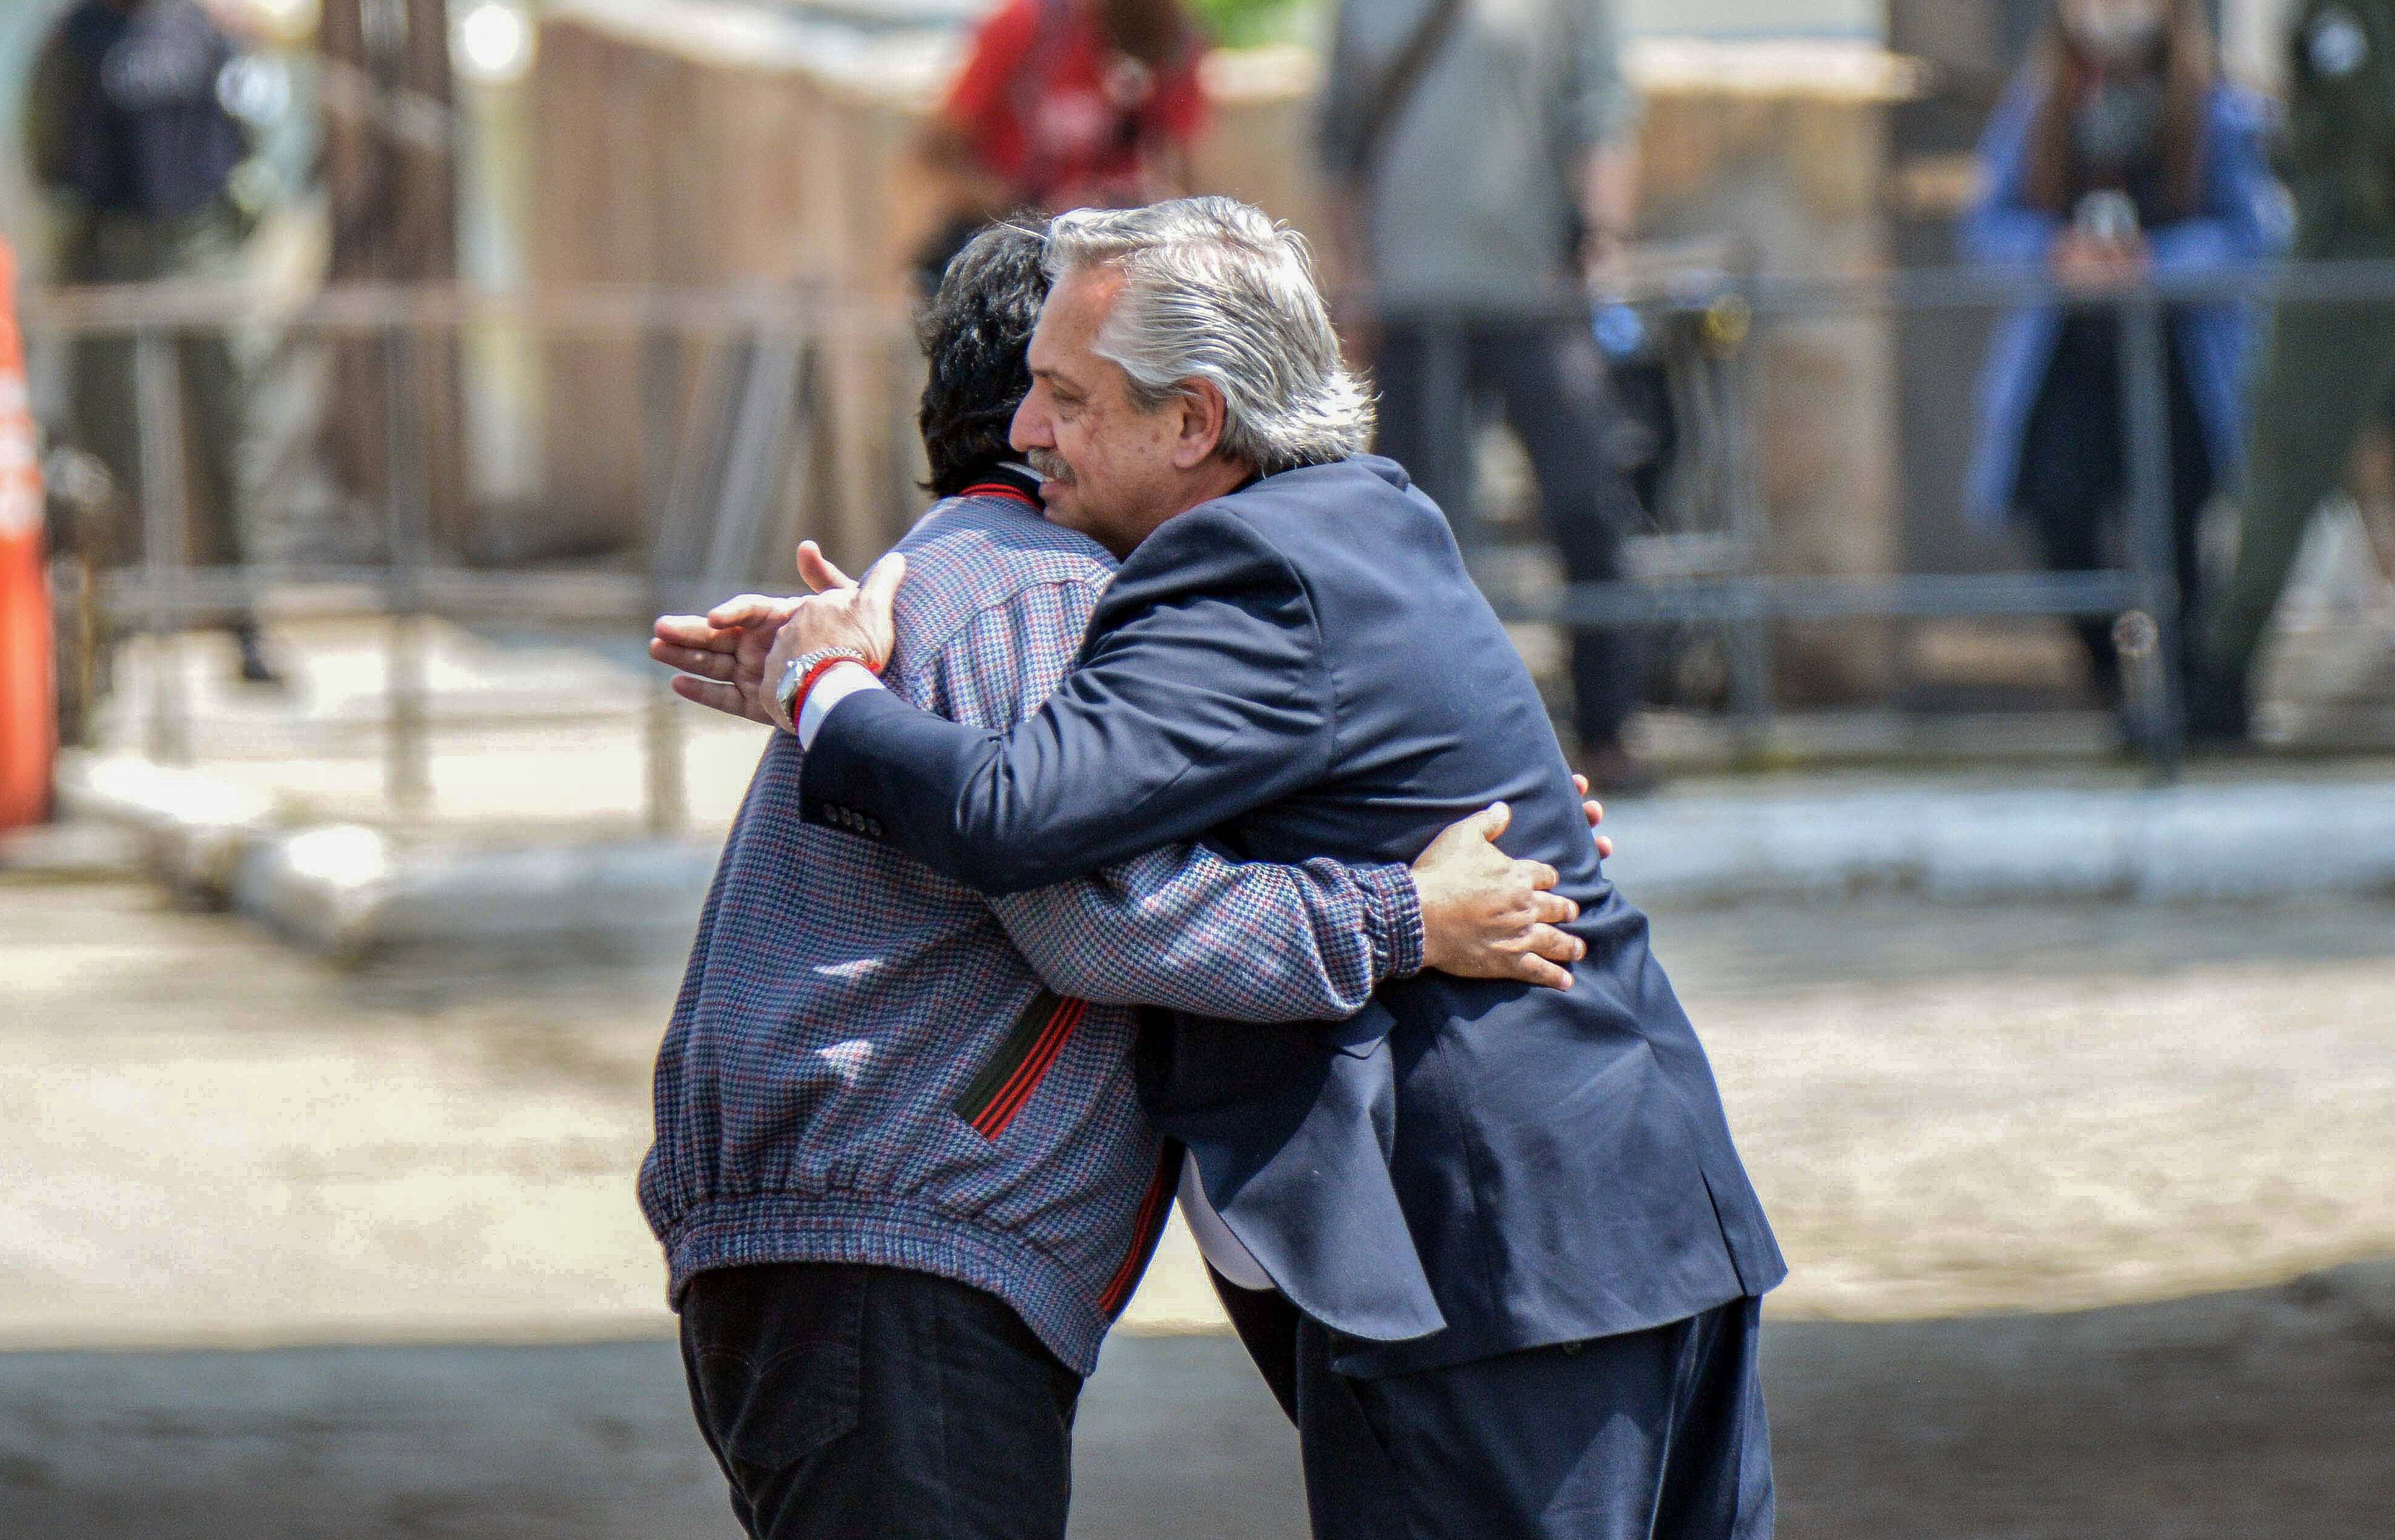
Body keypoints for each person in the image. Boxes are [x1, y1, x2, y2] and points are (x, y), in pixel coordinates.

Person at [714, 199, 1781, 1540]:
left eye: (1063, 397)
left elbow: (1011, 817)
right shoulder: (1366, 520)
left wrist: (826, 691)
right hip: (1631, 1231)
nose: (1028, 432)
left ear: (1192, 422)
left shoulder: (1241, 568)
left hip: (1496, 1266)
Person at [1315, 0, 1651, 791]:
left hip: (1532, 298)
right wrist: (1355, 285)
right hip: (1413, 307)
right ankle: (1433, 747)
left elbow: (1601, 113)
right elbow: (1338, 146)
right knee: (1421, 533)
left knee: (1586, 501)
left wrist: (1601, 245)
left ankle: (1611, 729)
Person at [1959, 0, 2286, 723]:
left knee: (2178, 537)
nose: (2111, 3)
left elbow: (2256, 236)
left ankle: (2183, 702)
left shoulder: (2213, 107)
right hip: (2070, 350)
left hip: (2179, 352)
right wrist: (2056, 256)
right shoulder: (2039, 106)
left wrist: (2156, 266)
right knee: (2054, 507)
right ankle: (2109, 677)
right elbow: (1983, 226)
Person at [26, 0, 275, 683]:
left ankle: (245, 623)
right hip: (112, 263)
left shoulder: (205, 29)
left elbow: (248, 135)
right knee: (111, 457)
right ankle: (114, 629)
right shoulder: (74, 38)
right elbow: (46, 155)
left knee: (229, 441)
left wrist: (236, 228)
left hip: (199, 253)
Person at [2193, 0, 2395, 739]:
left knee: (2288, 443)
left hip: (2356, 243)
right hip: (2353, 237)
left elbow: (2367, 109)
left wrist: (2307, 155)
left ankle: (2222, 672)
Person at [914, 0, 1206, 288]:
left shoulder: (1174, 48)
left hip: (1103, 248)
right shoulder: (1029, 23)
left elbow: (1183, 171)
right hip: (1007, 239)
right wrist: (1027, 214)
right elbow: (934, 150)